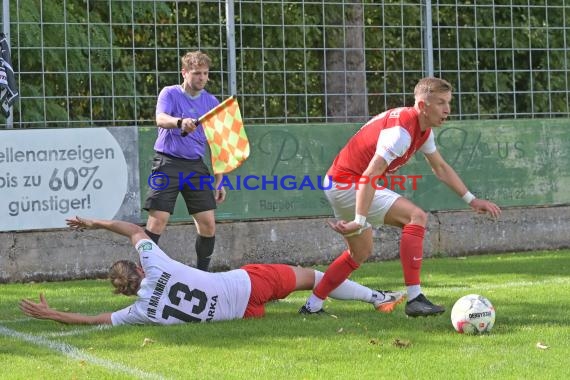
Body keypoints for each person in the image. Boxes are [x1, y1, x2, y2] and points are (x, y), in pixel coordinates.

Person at [300, 77, 501, 317]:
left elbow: (440, 168)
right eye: (440, 103)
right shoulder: (401, 133)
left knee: (359, 252)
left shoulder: (422, 130)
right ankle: (415, 298)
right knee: (416, 216)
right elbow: (370, 174)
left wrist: (472, 200)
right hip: (348, 184)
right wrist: (360, 220)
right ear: (422, 105)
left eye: (448, 102)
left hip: (339, 183)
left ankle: (312, 306)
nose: (447, 109)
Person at [19, 216, 405, 326]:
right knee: (313, 277)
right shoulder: (156, 264)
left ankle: (324, 305)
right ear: (139, 267)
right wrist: (97, 224)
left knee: (305, 284)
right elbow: (136, 230)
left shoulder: (140, 313)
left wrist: (55, 314)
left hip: (243, 313)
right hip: (248, 282)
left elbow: (95, 319)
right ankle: (377, 298)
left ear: (124, 291)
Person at [143, 50, 225, 272]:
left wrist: (220, 180)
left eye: (205, 73)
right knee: (157, 221)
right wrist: (180, 122)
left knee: (208, 225)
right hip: (167, 162)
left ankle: (202, 275)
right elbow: (160, 118)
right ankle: (144, 273)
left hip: (195, 166)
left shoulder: (211, 101)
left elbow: (217, 145)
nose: (202, 78)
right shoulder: (169, 93)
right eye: (197, 73)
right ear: (184, 72)